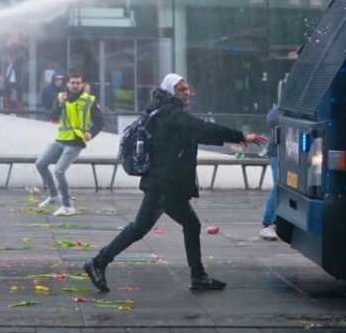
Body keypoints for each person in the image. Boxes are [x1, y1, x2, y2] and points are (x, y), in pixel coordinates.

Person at [83, 73, 267, 292]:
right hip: (164, 185)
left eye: (188, 89)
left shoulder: (164, 112)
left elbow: (196, 134)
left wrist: (233, 140)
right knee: (140, 227)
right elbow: (201, 128)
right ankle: (98, 262)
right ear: (171, 91)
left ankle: (198, 276)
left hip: (168, 184)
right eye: (182, 90)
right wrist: (241, 136)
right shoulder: (170, 114)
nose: (187, 93)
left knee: (190, 224)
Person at [35, 73, 104, 216]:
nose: (75, 85)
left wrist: (91, 133)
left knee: (59, 171)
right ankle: (54, 194)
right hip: (61, 140)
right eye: (72, 83)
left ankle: (67, 205)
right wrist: (59, 103)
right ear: (67, 84)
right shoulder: (61, 97)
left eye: (78, 83)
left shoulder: (89, 100)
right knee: (40, 163)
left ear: (82, 84)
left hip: (76, 142)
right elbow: (52, 116)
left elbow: (100, 122)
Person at [260, 103, 280, 240]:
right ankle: (268, 224)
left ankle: (273, 222)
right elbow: (272, 119)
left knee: (280, 187)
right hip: (278, 152)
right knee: (279, 187)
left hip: (284, 152)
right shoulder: (282, 107)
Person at [2, 34, 28, 115]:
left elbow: (23, 59)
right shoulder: (6, 50)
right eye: (11, 37)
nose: (13, 39)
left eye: (15, 38)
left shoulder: (22, 49)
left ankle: (19, 111)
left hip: (18, 74)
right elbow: (3, 61)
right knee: (6, 90)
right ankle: (7, 109)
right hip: (9, 74)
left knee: (19, 90)